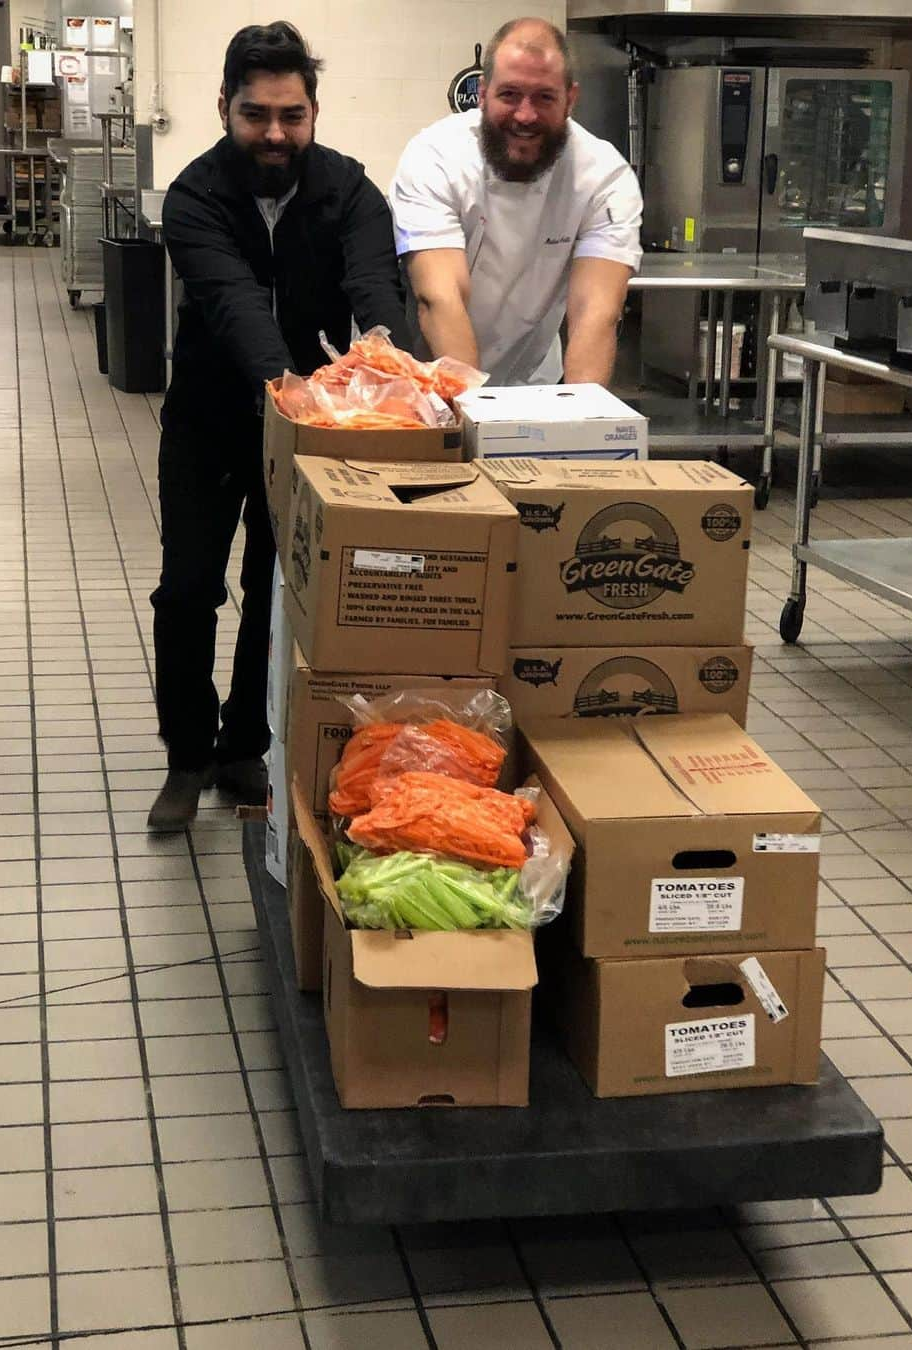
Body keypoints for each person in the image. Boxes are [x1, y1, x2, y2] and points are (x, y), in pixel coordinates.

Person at [149, 22, 411, 831]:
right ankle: (187, 756)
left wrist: (389, 362)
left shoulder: (352, 192)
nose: (274, 133)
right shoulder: (194, 197)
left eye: (291, 115)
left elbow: (374, 285)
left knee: (278, 589)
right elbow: (229, 302)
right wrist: (290, 388)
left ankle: (243, 748)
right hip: (210, 420)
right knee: (189, 588)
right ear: (224, 106)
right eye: (256, 114)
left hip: (312, 430)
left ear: (314, 110)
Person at [389, 17, 642, 387]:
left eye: (544, 97)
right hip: (434, 382)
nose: (525, 115)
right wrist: (476, 412)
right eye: (509, 95)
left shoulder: (603, 176)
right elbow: (440, 297)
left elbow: (596, 312)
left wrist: (584, 421)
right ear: (482, 92)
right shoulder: (435, 158)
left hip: (534, 380)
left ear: (570, 98)